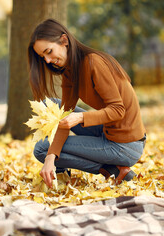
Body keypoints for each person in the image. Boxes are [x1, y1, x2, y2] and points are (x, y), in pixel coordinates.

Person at [27, 19, 146, 189]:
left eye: (49, 52)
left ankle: (110, 169)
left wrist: (81, 117)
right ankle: (112, 169)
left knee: (40, 149)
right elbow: (64, 116)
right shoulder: (69, 72)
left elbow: (118, 110)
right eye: (42, 57)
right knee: (52, 106)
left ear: (64, 41)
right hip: (108, 131)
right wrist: (50, 157)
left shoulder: (93, 63)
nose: (46, 60)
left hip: (126, 145)